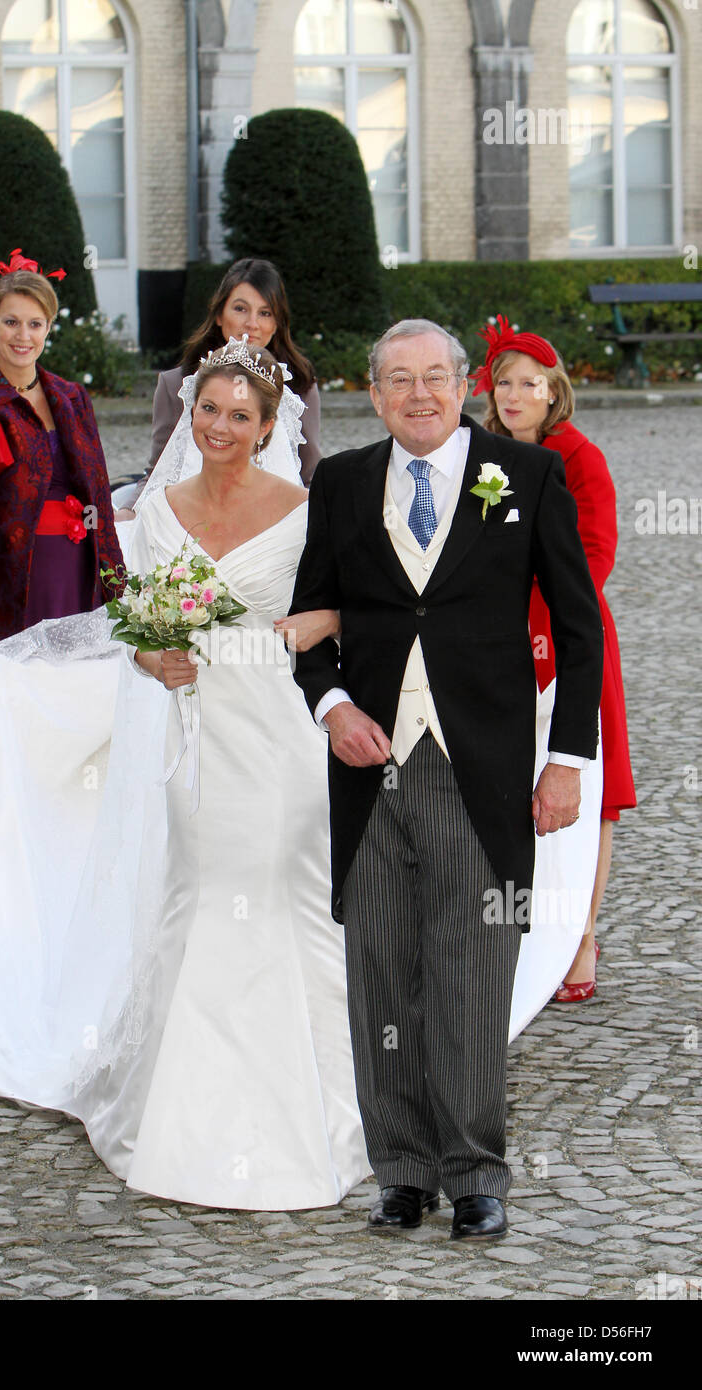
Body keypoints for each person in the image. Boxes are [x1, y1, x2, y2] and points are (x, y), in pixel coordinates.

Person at [0, 338, 370, 1211]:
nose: (222, 427)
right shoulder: (155, 510)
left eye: (242, 415)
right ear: (188, 412)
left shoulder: (308, 509)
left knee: (280, 885)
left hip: (275, 731)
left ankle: (325, 1109)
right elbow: (130, 617)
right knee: (195, 885)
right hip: (189, 734)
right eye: (209, 410)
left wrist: (302, 632)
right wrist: (150, 647)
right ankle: (178, 1108)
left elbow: (342, 603)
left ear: (271, 425)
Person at [288, 318, 604, 1240]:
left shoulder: (529, 476)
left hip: (486, 767)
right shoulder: (342, 485)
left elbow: (581, 631)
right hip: (372, 768)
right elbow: (312, 629)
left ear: (465, 383)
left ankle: (475, 1173)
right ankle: (400, 1170)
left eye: (436, 377)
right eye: (399, 380)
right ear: (373, 393)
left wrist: (567, 761)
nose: (419, 395)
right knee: (381, 970)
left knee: (471, 969)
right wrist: (333, 709)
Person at [474, 315, 636, 1002]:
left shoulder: (579, 455)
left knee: (591, 789)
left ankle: (583, 936)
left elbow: (594, 554)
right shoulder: (484, 456)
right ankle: (513, 933)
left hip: (569, 635)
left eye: (527, 383)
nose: (514, 395)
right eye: (502, 383)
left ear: (552, 389)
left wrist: (542, 611)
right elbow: (480, 541)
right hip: (501, 636)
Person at [0, 249, 124, 721]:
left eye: (35, 324)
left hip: (76, 575)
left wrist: (120, 590)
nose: (23, 336)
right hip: (15, 578)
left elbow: (99, 497)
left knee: (74, 704)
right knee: (18, 708)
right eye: (12, 322)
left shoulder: (73, 397)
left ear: (49, 328)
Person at [117, 257, 321, 517]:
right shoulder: (176, 384)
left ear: (277, 323)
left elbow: (310, 474)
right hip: (192, 519)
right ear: (219, 315)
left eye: (265, 313)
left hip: (275, 519)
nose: (252, 323)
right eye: (240, 309)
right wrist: (128, 512)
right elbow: (160, 469)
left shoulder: (300, 386)